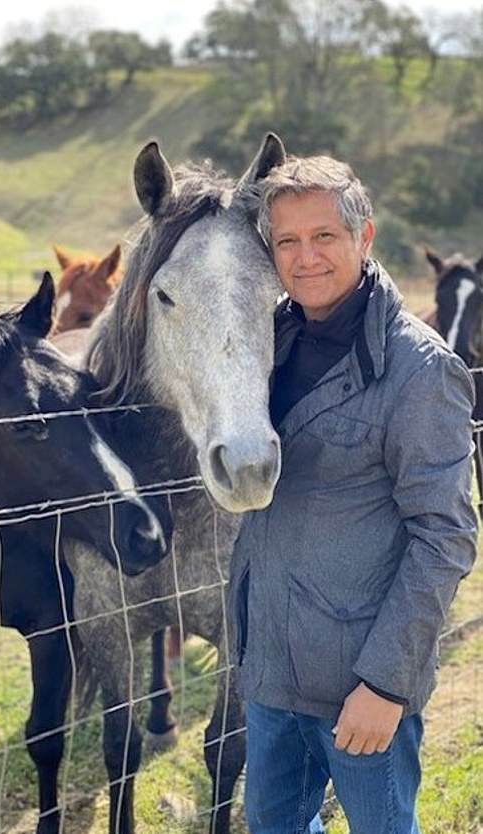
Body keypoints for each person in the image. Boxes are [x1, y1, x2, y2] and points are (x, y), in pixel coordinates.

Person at [229, 154, 478, 834]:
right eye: (287, 241)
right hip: (272, 674)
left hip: (360, 688)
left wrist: (387, 684)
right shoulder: (266, 347)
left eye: (324, 237)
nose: (304, 258)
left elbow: (446, 537)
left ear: (364, 238)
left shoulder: (420, 371)